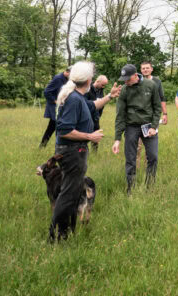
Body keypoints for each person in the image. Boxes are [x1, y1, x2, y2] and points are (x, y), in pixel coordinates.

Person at [49, 61, 120, 240]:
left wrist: (110, 96)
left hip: (75, 152)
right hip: (72, 152)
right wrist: (90, 137)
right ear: (89, 80)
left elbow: (92, 106)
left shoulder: (78, 97)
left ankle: (66, 232)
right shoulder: (73, 99)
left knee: (72, 193)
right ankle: (56, 235)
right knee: (67, 195)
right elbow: (64, 130)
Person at [112, 64, 162, 192]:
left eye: (128, 79)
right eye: (124, 80)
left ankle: (149, 186)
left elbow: (157, 108)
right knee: (130, 158)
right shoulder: (124, 89)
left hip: (148, 126)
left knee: (153, 157)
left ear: (135, 75)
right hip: (131, 127)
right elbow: (120, 115)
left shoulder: (151, 85)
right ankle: (131, 188)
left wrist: (154, 126)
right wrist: (117, 139)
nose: (126, 82)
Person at [40, 67, 70, 148]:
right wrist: (55, 101)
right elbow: (46, 91)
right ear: (67, 72)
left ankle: (42, 146)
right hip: (54, 107)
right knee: (57, 127)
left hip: (61, 107)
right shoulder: (58, 78)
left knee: (52, 127)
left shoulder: (67, 79)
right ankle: (58, 147)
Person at [84, 75, 108, 152]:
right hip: (86, 118)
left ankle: (95, 153)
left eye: (104, 85)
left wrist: (99, 115)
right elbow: (84, 104)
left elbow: (102, 103)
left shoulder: (101, 90)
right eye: (102, 84)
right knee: (85, 136)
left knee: (96, 136)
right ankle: (83, 152)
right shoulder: (87, 89)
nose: (103, 87)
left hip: (96, 118)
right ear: (97, 81)